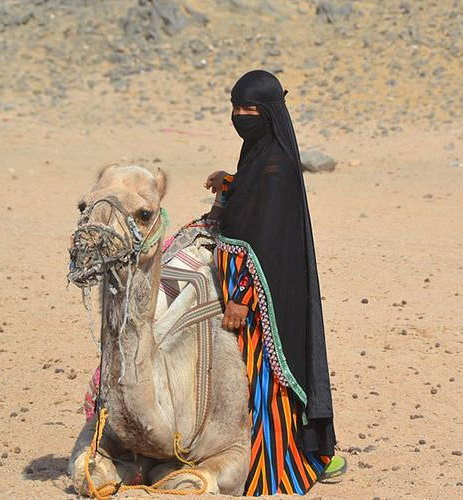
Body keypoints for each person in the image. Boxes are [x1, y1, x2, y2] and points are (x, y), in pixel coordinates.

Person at [204, 70, 346, 496]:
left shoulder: (277, 167)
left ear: (269, 112)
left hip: (260, 300)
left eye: (250, 109)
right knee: (240, 379)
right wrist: (228, 182)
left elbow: (263, 240)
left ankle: (278, 463)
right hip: (244, 292)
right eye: (235, 107)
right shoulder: (257, 154)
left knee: (266, 379)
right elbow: (250, 202)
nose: (241, 115)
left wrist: (242, 300)